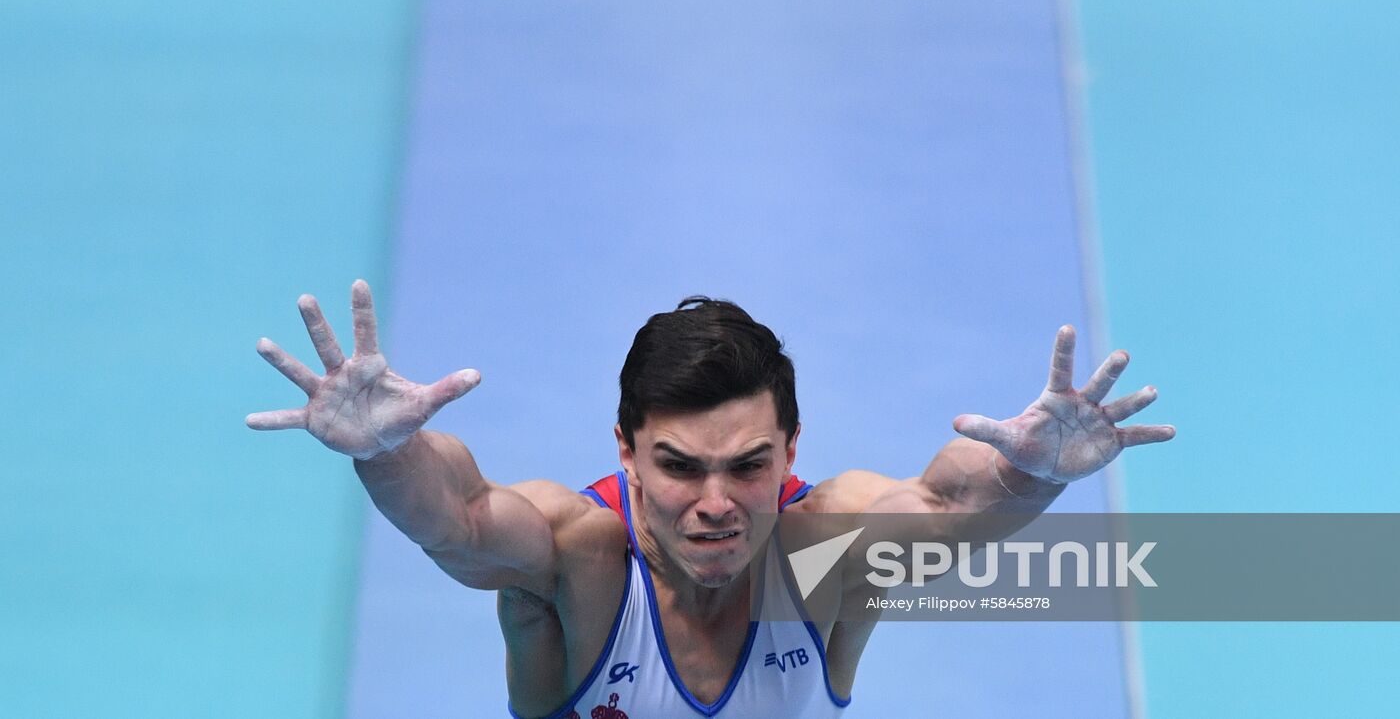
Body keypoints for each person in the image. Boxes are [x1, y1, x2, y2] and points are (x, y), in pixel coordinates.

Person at [248, 280, 1173, 717]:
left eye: (748, 465)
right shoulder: (583, 553)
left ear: (792, 450)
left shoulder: (824, 545)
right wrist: (389, 453)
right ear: (627, 453)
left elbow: (941, 510)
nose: (717, 503)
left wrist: (1033, 471)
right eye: (681, 466)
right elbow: (460, 518)